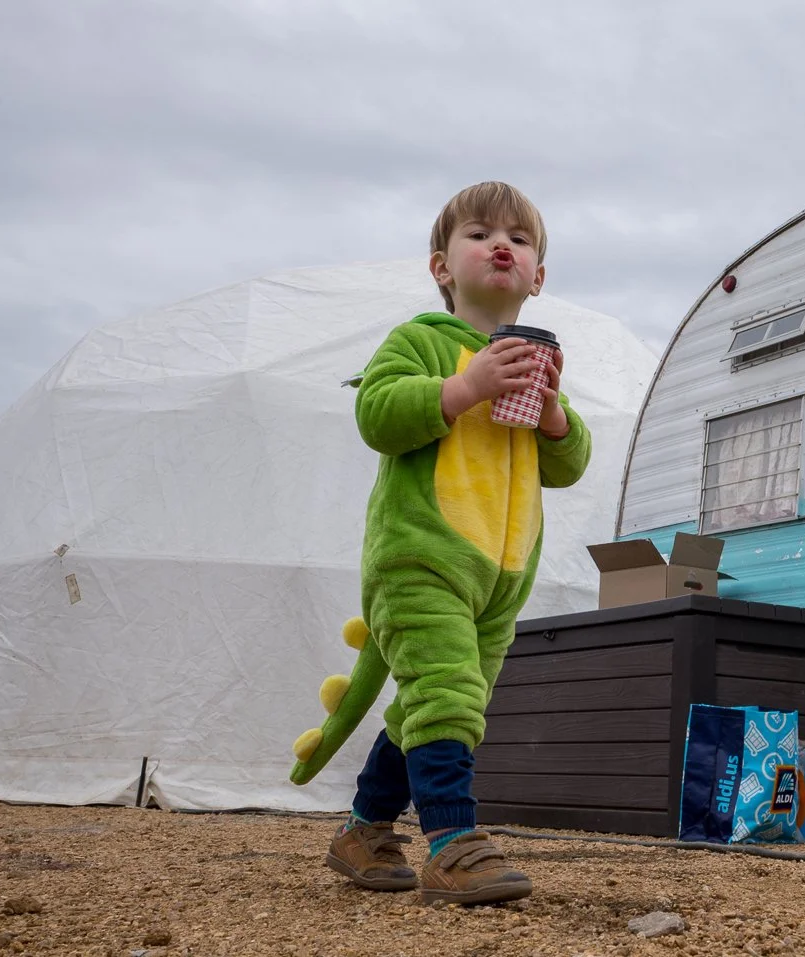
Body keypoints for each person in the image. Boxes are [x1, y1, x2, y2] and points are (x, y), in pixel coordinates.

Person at [290, 181, 593, 905]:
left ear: (538, 276)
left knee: (437, 701)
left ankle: (362, 828)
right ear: (440, 266)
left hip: (499, 572)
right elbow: (379, 412)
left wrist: (552, 411)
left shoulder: (537, 361)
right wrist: (466, 385)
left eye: (519, 240)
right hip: (421, 556)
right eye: (481, 233)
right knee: (447, 696)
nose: (501, 245)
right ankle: (454, 840)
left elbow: (569, 463)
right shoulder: (421, 340)